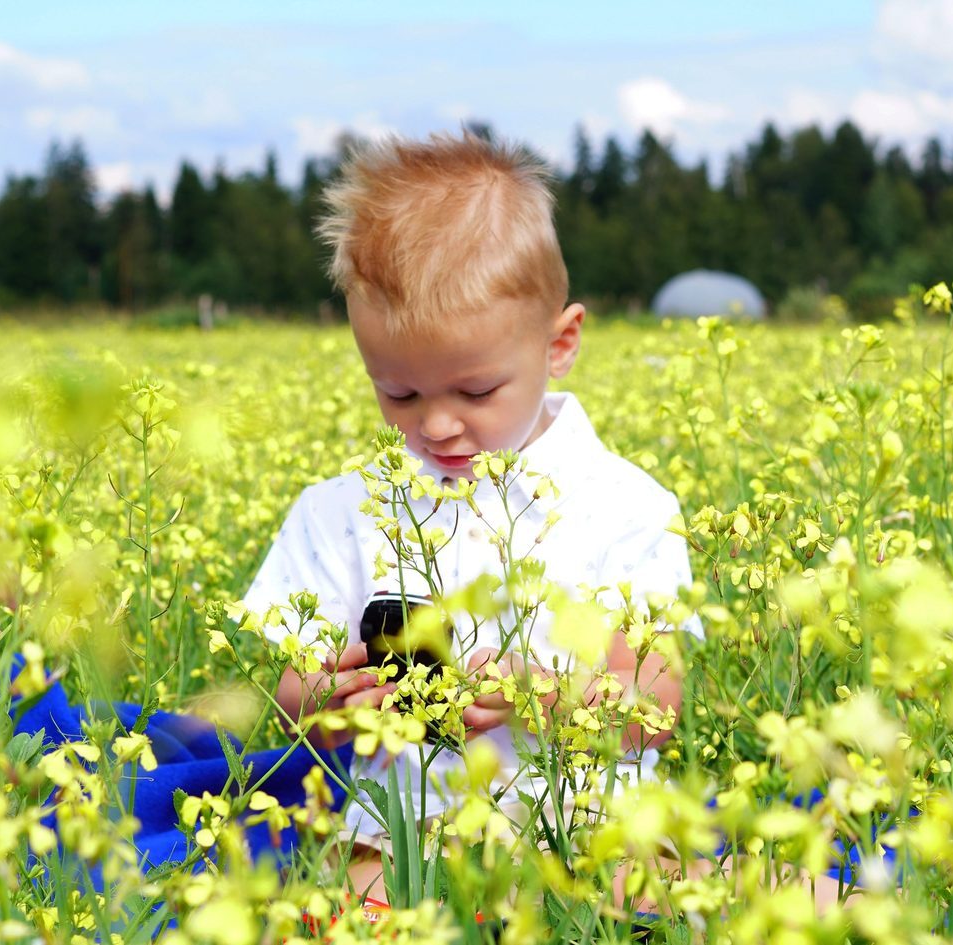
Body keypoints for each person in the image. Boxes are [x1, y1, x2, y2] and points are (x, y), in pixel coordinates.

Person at [239, 131, 697, 908]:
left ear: (560, 344)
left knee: (673, 893)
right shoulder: (342, 511)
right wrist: (335, 699)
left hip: (590, 825)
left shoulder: (629, 507)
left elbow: (656, 708)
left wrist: (549, 697)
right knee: (351, 903)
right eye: (400, 394)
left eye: (475, 392)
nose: (438, 426)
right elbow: (287, 702)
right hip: (405, 826)